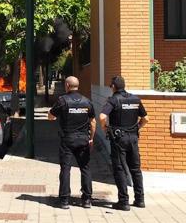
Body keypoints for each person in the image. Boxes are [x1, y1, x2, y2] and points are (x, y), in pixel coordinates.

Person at [99, 76, 149, 211]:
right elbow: (145, 119)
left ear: (113, 87)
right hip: (133, 138)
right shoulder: (135, 99)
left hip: (119, 139)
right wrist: (137, 127)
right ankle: (140, 200)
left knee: (120, 169)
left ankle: (124, 201)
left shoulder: (113, 100)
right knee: (136, 169)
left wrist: (105, 128)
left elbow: (102, 117)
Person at [48, 76, 96, 209]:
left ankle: (64, 201)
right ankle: (87, 200)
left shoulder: (62, 101)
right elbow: (93, 122)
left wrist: (51, 114)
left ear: (67, 85)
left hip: (67, 140)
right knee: (85, 168)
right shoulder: (87, 102)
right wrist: (91, 138)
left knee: (65, 170)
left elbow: (51, 116)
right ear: (77, 86)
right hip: (83, 140)